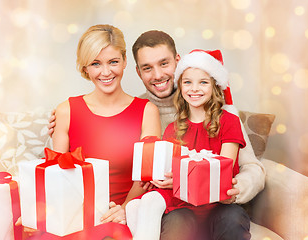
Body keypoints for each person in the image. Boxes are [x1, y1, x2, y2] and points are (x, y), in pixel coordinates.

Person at [48, 30, 265, 239]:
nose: (158, 75)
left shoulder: (221, 112)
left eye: (164, 63)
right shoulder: (143, 110)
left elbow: (250, 167)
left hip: (220, 206)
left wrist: (233, 190)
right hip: (177, 209)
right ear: (137, 71)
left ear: (178, 61)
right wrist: (58, 131)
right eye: (147, 68)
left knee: (229, 219)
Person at [24, 24, 161, 239]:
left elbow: (145, 179)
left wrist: (124, 208)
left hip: (119, 216)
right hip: (74, 218)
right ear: (85, 68)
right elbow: (57, 178)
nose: (106, 72)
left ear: (125, 61)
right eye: (96, 64)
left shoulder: (147, 112)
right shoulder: (66, 110)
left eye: (113, 62)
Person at [126, 49, 250, 240]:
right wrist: (158, 178)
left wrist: (181, 181)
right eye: (187, 82)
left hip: (219, 206)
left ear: (215, 86)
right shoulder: (173, 129)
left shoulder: (229, 122)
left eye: (203, 82)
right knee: (176, 220)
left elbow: (221, 171)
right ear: (180, 86)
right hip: (183, 207)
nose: (194, 89)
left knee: (232, 218)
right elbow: (169, 173)